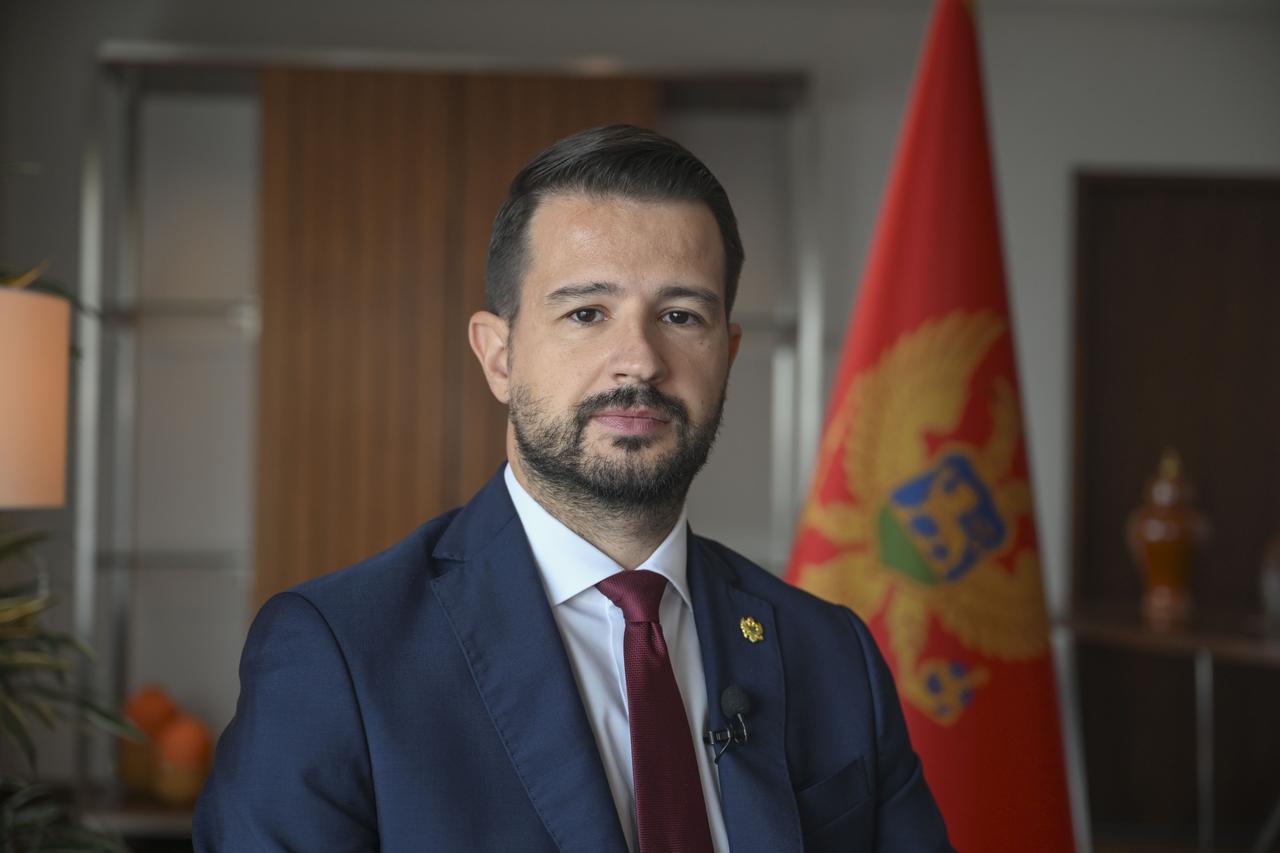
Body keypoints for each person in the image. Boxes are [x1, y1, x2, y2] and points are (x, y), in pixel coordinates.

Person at [194, 125, 951, 852]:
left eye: (681, 315)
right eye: (587, 313)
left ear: (728, 352)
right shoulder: (339, 655)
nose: (639, 361)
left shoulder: (831, 653)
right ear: (499, 356)